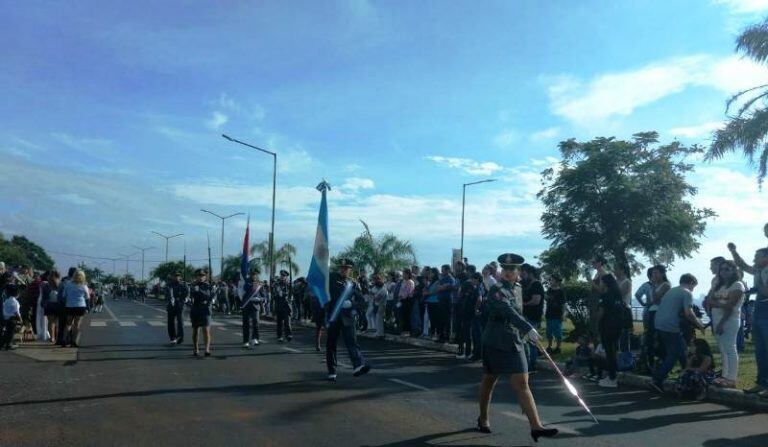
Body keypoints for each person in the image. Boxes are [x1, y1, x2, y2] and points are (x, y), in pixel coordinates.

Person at [476, 253, 557, 442]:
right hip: (495, 340)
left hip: (514, 340)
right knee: (489, 381)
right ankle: (483, 418)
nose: (508, 272)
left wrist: (525, 335)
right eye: (505, 269)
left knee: (522, 382)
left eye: (512, 269)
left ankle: (536, 426)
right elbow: (508, 311)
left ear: (518, 272)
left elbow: (518, 313)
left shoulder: (519, 288)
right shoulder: (495, 289)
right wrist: (527, 328)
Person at [650, 274, 704, 393]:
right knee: (675, 353)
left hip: (659, 323)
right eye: (693, 286)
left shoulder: (672, 290)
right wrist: (700, 325)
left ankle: (685, 375)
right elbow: (688, 313)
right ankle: (657, 379)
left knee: (681, 350)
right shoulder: (687, 293)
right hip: (670, 326)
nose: (693, 289)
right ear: (691, 283)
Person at [729, 244, 768, 396]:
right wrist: (733, 251)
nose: (753, 260)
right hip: (759, 310)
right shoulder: (759, 270)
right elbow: (742, 265)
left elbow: (765, 291)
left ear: (766, 257)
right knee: (760, 351)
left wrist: (757, 282)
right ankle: (761, 383)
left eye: (757, 257)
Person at [325, 259, 370, 382]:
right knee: (331, 344)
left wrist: (352, 303)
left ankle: (357, 365)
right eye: (342, 268)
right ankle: (332, 370)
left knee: (352, 342)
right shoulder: (332, 279)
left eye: (346, 268)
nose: (344, 270)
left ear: (350, 270)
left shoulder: (353, 284)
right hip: (333, 317)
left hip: (348, 317)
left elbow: (362, 302)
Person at [709, 260, 745, 388]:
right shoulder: (719, 285)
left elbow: (730, 307)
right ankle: (725, 375)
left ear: (734, 270)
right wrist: (721, 302)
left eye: (727, 269)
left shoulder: (737, 285)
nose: (723, 272)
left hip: (729, 320)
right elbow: (709, 301)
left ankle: (731, 379)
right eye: (722, 269)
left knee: (730, 348)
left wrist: (721, 323)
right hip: (717, 318)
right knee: (723, 349)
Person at [595, 273, 624, 388]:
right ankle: (613, 374)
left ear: (605, 283)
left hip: (607, 326)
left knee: (609, 352)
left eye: (601, 282)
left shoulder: (605, 296)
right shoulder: (617, 295)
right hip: (617, 326)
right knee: (613, 351)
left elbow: (601, 312)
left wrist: (596, 324)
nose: (600, 284)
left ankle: (612, 378)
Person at [521, 264, 544, 371]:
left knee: (531, 342)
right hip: (525, 316)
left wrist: (523, 304)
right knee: (524, 341)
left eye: (524, 273)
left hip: (533, 316)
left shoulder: (537, 285)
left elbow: (536, 300)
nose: (522, 275)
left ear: (530, 273)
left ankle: (532, 364)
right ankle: (526, 363)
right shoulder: (525, 284)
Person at [189, 269, 214, 357]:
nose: (201, 277)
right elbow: (191, 296)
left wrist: (200, 291)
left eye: (202, 275)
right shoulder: (193, 286)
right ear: (196, 277)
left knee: (206, 330)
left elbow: (211, 296)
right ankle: (196, 349)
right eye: (199, 275)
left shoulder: (209, 286)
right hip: (196, 309)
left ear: (205, 277)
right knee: (196, 330)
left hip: (206, 309)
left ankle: (207, 349)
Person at [62, 270, 90, 348]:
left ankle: (64, 340)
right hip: (80, 306)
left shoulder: (68, 284)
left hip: (70, 306)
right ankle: (73, 341)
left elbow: (64, 295)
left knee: (68, 324)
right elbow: (87, 297)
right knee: (76, 325)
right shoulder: (84, 286)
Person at [241, 269, 266, 348]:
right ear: (250, 275)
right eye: (253, 274)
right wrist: (253, 285)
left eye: (256, 275)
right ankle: (245, 341)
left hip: (255, 306)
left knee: (255, 322)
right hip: (246, 305)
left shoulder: (259, 285)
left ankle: (255, 338)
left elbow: (263, 296)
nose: (254, 276)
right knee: (246, 323)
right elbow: (244, 290)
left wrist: (261, 299)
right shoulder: (246, 283)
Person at [165, 271, 189, 346]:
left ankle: (180, 337)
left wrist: (186, 299)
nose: (176, 277)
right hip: (171, 305)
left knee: (180, 322)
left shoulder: (184, 284)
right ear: (172, 277)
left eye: (178, 276)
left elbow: (187, 293)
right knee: (170, 322)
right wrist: (170, 298)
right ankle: (173, 338)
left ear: (180, 277)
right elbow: (168, 293)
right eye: (174, 276)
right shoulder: (169, 285)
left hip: (180, 305)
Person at [544, 274, 566, 354]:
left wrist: (563, 314)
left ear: (556, 281)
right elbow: (547, 299)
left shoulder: (561, 292)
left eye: (552, 280)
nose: (550, 281)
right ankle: (549, 346)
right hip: (549, 314)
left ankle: (558, 347)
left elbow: (563, 304)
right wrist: (546, 297)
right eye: (550, 280)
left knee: (557, 332)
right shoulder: (549, 290)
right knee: (549, 332)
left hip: (557, 315)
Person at [41, 271, 62, 345]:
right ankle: (56, 337)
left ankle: (52, 337)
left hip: (48, 305)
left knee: (50, 322)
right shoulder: (59, 284)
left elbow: (43, 296)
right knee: (56, 322)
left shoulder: (46, 285)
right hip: (57, 305)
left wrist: (43, 304)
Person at [273, 270, 293, 342]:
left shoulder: (289, 285)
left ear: (286, 277)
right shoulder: (276, 285)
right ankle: (280, 336)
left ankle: (288, 334)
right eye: (281, 275)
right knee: (279, 322)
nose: (282, 277)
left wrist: (289, 297)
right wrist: (278, 294)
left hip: (287, 306)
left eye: (284, 276)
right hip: (279, 305)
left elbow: (291, 294)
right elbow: (274, 294)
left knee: (287, 322)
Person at [2, 284, 21, 350]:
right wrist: (20, 319)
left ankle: (2, 344)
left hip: (6, 318)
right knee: (11, 333)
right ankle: (9, 345)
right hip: (12, 319)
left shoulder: (6, 301)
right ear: (17, 294)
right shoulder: (15, 302)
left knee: (7, 332)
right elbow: (16, 312)